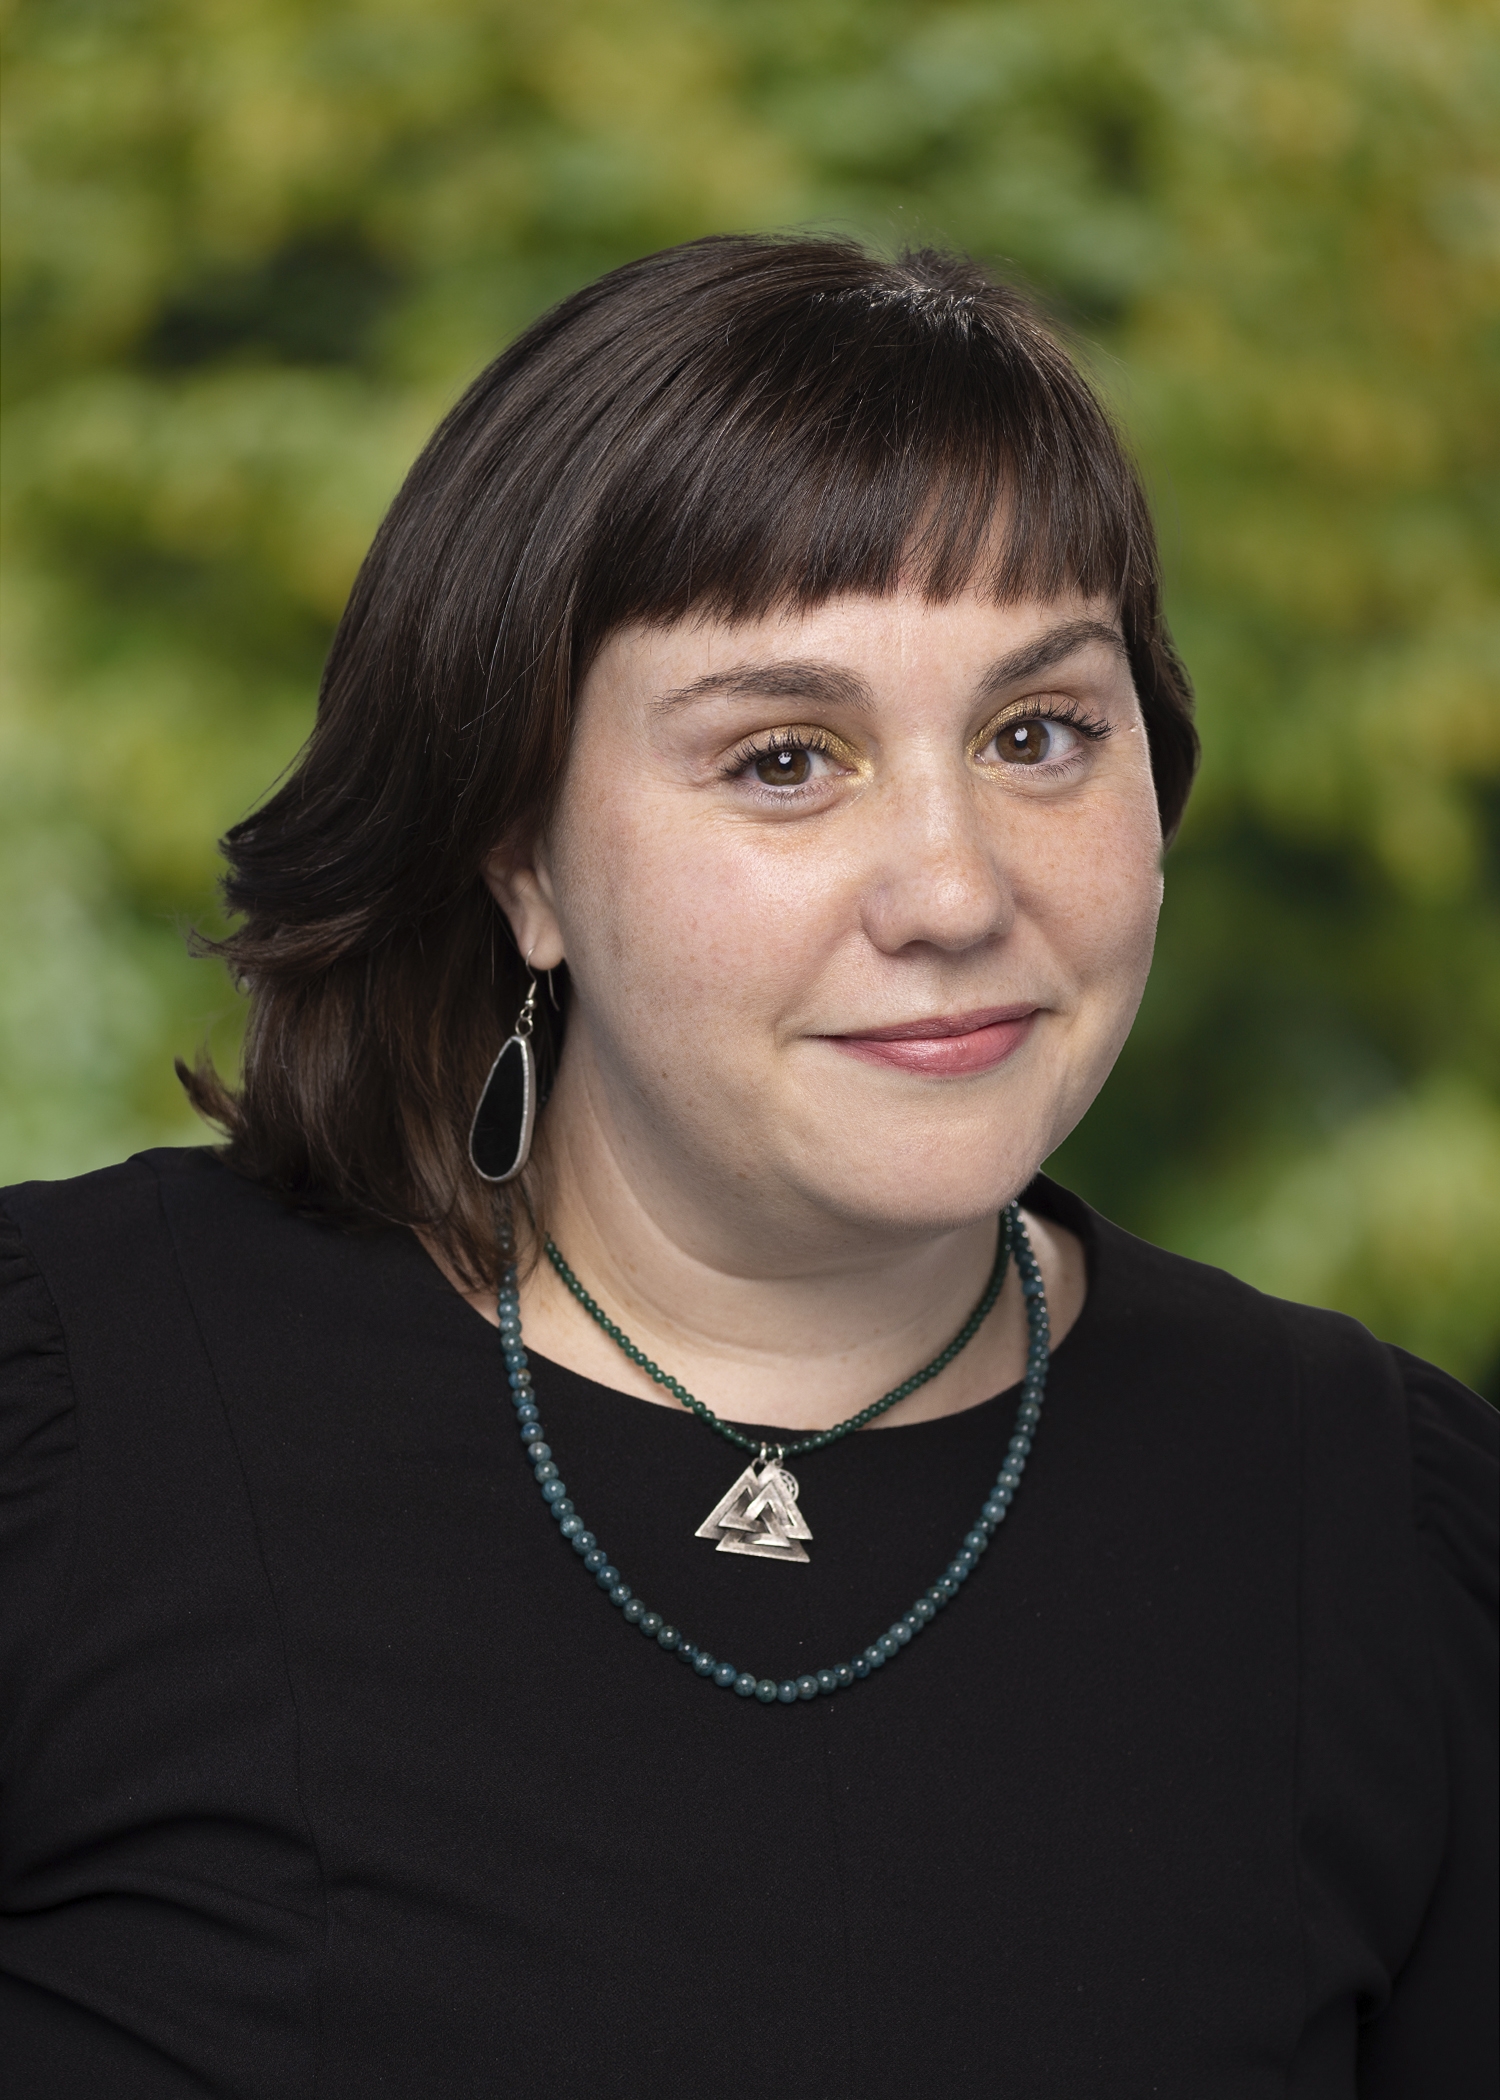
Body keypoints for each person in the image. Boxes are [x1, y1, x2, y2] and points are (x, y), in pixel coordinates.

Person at [1, 234, 1494, 2098]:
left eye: (1039, 734)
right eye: (786, 760)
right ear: (518, 856)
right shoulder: (73, 1414)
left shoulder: (1381, 1526)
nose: (952, 891)